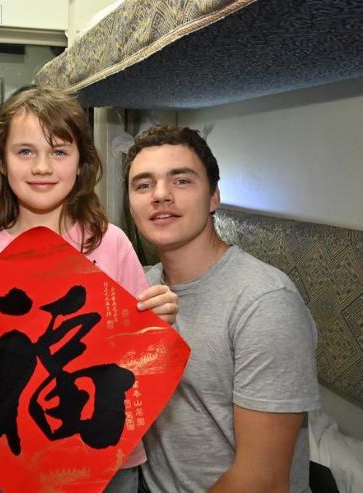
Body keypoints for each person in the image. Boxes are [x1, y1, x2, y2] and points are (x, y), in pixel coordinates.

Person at [0, 86, 179, 493]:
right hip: (13, 466)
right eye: (25, 151)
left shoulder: (111, 243)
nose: (42, 167)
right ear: (1, 162)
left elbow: (141, 361)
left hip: (109, 460)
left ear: (81, 163)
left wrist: (159, 325)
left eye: (59, 151)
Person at [125, 125, 320, 492]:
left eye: (181, 181)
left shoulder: (264, 302)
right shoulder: (139, 290)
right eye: (143, 185)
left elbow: (263, 481)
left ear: (213, 197)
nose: (160, 195)